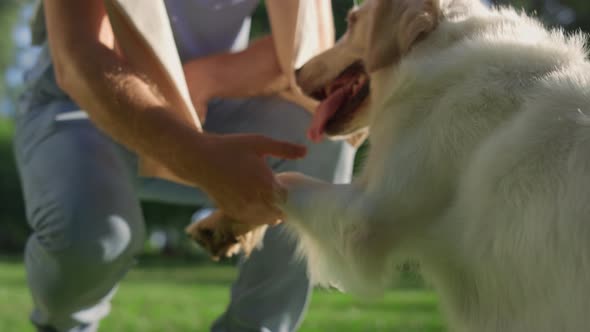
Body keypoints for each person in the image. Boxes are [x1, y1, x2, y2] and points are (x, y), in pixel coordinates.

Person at [13, 1, 356, 331]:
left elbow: (304, 56)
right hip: (81, 107)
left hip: (212, 111)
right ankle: (65, 326)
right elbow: (79, 57)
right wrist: (198, 157)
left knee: (320, 134)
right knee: (95, 241)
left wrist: (202, 80)